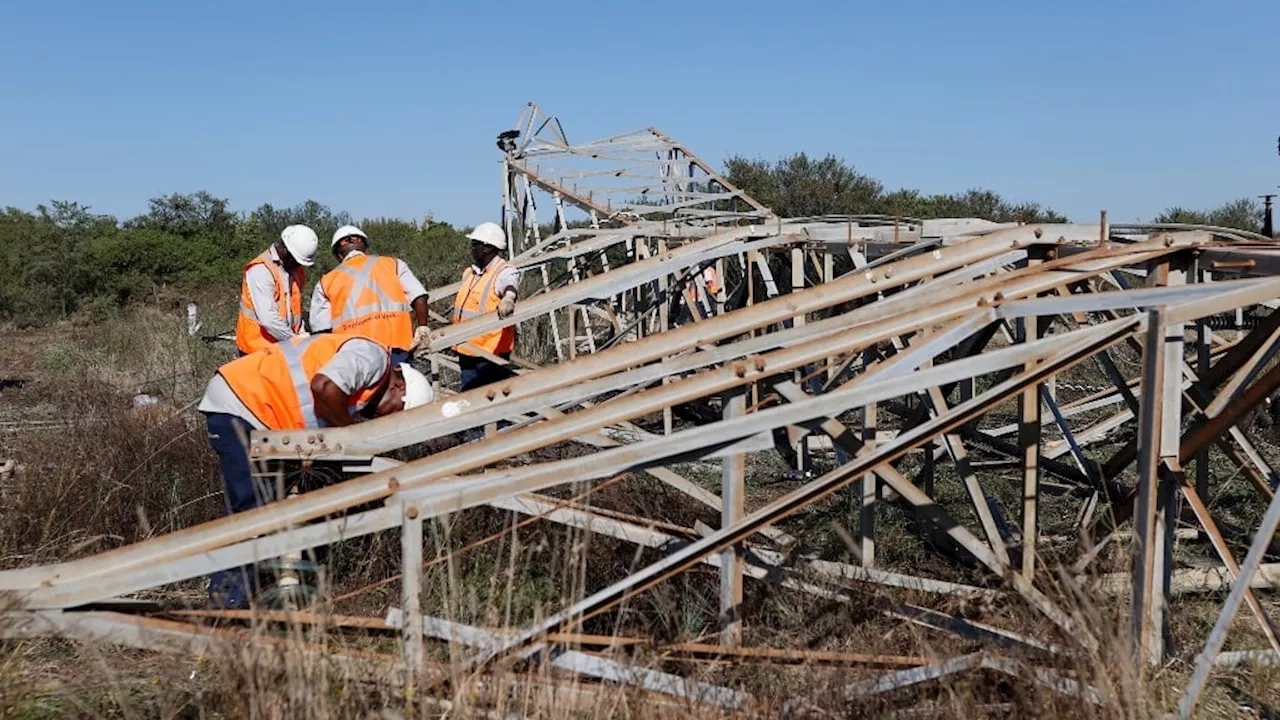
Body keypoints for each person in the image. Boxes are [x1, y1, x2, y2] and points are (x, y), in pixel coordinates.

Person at [197, 332, 433, 608]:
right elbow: (325, 387)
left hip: (266, 417)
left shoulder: (365, 395)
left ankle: (276, 590)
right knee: (252, 514)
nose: (386, 419)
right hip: (244, 402)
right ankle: (225, 608)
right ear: (398, 389)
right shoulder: (373, 358)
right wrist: (353, 438)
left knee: (274, 511)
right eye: (394, 415)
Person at [310, 225, 431, 366]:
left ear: (338, 255)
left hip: (353, 355)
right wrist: (422, 327)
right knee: (399, 387)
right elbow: (419, 296)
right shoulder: (394, 264)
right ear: (364, 246)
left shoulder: (326, 282)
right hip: (397, 348)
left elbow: (321, 329)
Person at [451, 222, 520, 391]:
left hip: (490, 353)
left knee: (494, 398)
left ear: (488, 248)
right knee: (472, 400)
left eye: (475, 245)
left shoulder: (503, 271)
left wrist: (509, 298)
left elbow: (510, 284)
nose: (472, 249)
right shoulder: (470, 273)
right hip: (467, 349)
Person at [235, 225, 319, 356]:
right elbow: (268, 318)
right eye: (297, 261)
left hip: (282, 347)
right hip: (257, 350)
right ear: (285, 250)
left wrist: (301, 332)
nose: (299, 265)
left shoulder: (296, 271)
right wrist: (294, 341)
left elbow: (295, 309)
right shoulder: (261, 270)